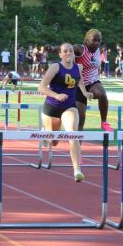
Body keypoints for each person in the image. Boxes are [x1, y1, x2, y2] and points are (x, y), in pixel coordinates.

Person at [40, 42, 92, 182]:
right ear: (60, 54)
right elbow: (42, 87)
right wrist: (56, 95)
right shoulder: (55, 67)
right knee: (54, 141)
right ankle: (45, 133)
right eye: (65, 51)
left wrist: (85, 92)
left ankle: (77, 170)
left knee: (73, 134)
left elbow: (79, 80)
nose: (68, 53)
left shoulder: (78, 67)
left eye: (70, 51)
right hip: (52, 107)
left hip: (69, 106)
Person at [74, 29, 114, 132]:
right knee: (80, 121)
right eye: (94, 40)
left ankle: (104, 122)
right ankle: (77, 141)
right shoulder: (80, 49)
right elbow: (68, 49)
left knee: (102, 93)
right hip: (79, 86)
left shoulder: (98, 50)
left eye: (99, 40)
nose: (97, 43)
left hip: (92, 83)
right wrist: (53, 48)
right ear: (87, 40)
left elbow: (95, 66)